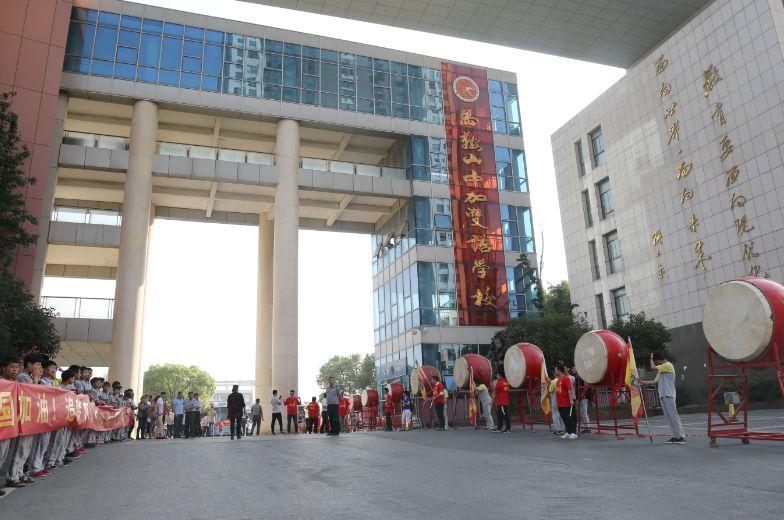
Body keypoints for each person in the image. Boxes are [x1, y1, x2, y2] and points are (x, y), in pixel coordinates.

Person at [6, 354, 43, 487]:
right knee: (19, 447)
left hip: (29, 417)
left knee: (26, 448)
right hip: (22, 417)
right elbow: (30, 393)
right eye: (37, 365)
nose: (39, 368)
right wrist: (35, 381)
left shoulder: (30, 377)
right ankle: (13, 475)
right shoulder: (22, 377)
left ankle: (20, 472)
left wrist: (36, 380)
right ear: (29, 364)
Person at [641, 352, 686, 444]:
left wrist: (651, 358)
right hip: (662, 395)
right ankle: (675, 436)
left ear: (659, 360)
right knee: (668, 417)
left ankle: (681, 437)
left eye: (656, 361)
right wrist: (642, 382)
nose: (656, 363)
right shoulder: (661, 370)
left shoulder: (668, 365)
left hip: (669, 395)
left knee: (673, 416)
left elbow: (653, 368)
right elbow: (654, 381)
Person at [554, 365, 577, 440]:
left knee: (569, 418)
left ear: (559, 370)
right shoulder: (559, 380)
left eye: (556, 370)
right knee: (564, 418)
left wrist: (571, 400)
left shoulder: (566, 379)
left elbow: (569, 390)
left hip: (566, 402)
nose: (555, 372)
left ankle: (573, 433)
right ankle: (568, 432)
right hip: (560, 403)